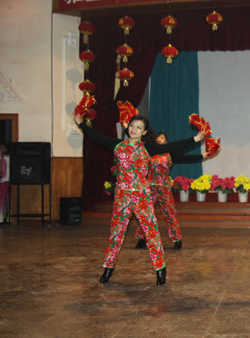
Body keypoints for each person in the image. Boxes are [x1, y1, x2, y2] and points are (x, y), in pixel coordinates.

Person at [74, 112, 204, 285]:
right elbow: (97, 137)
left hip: (142, 197)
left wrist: (195, 139)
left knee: (151, 232)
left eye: (139, 127)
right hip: (122, 198)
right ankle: (108, 268)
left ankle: (160, 269)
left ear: (144, 132)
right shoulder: (118, 145)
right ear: (128, 127)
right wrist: (81, 124)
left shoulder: (147, 148)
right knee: (116, 233)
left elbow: (172, 146)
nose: (134, 129)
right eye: (132, 126)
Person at [134, 132, 216, 250]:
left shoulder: (170, 153)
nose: (160, 139)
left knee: (170, 213)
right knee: (145, 213)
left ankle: (177, 240)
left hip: (164, 188)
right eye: (158, 138)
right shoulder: (149, 152)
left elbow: (186, 158)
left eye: (162, 137)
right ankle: (141, 239)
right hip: (150, 188)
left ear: (166, 141)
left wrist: (203, 155)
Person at [0, 144, 10, 223]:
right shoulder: (11, 158)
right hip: (10, 180)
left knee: (1, 199)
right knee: (9, 200)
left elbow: (2, 171)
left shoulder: (3, 159)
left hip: (4, 180)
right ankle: (9, 217)